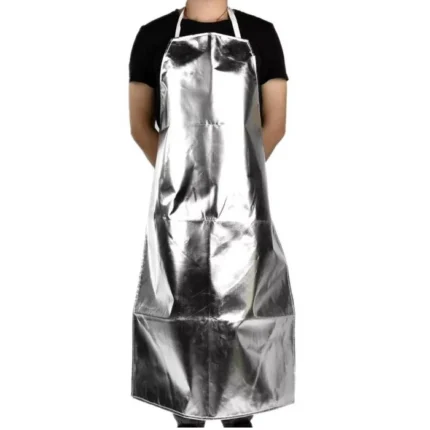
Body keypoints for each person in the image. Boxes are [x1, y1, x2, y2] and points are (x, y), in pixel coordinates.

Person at [128, 1, 295, 428]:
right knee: (180, 319)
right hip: (178, 212)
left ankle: (239, 417)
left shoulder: (260, 34)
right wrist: (178, 178)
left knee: (242, 316)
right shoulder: (153, 36)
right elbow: (140, 126)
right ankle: (186, 418)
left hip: (243, 209)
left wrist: (236, 178)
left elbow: (275, 123)